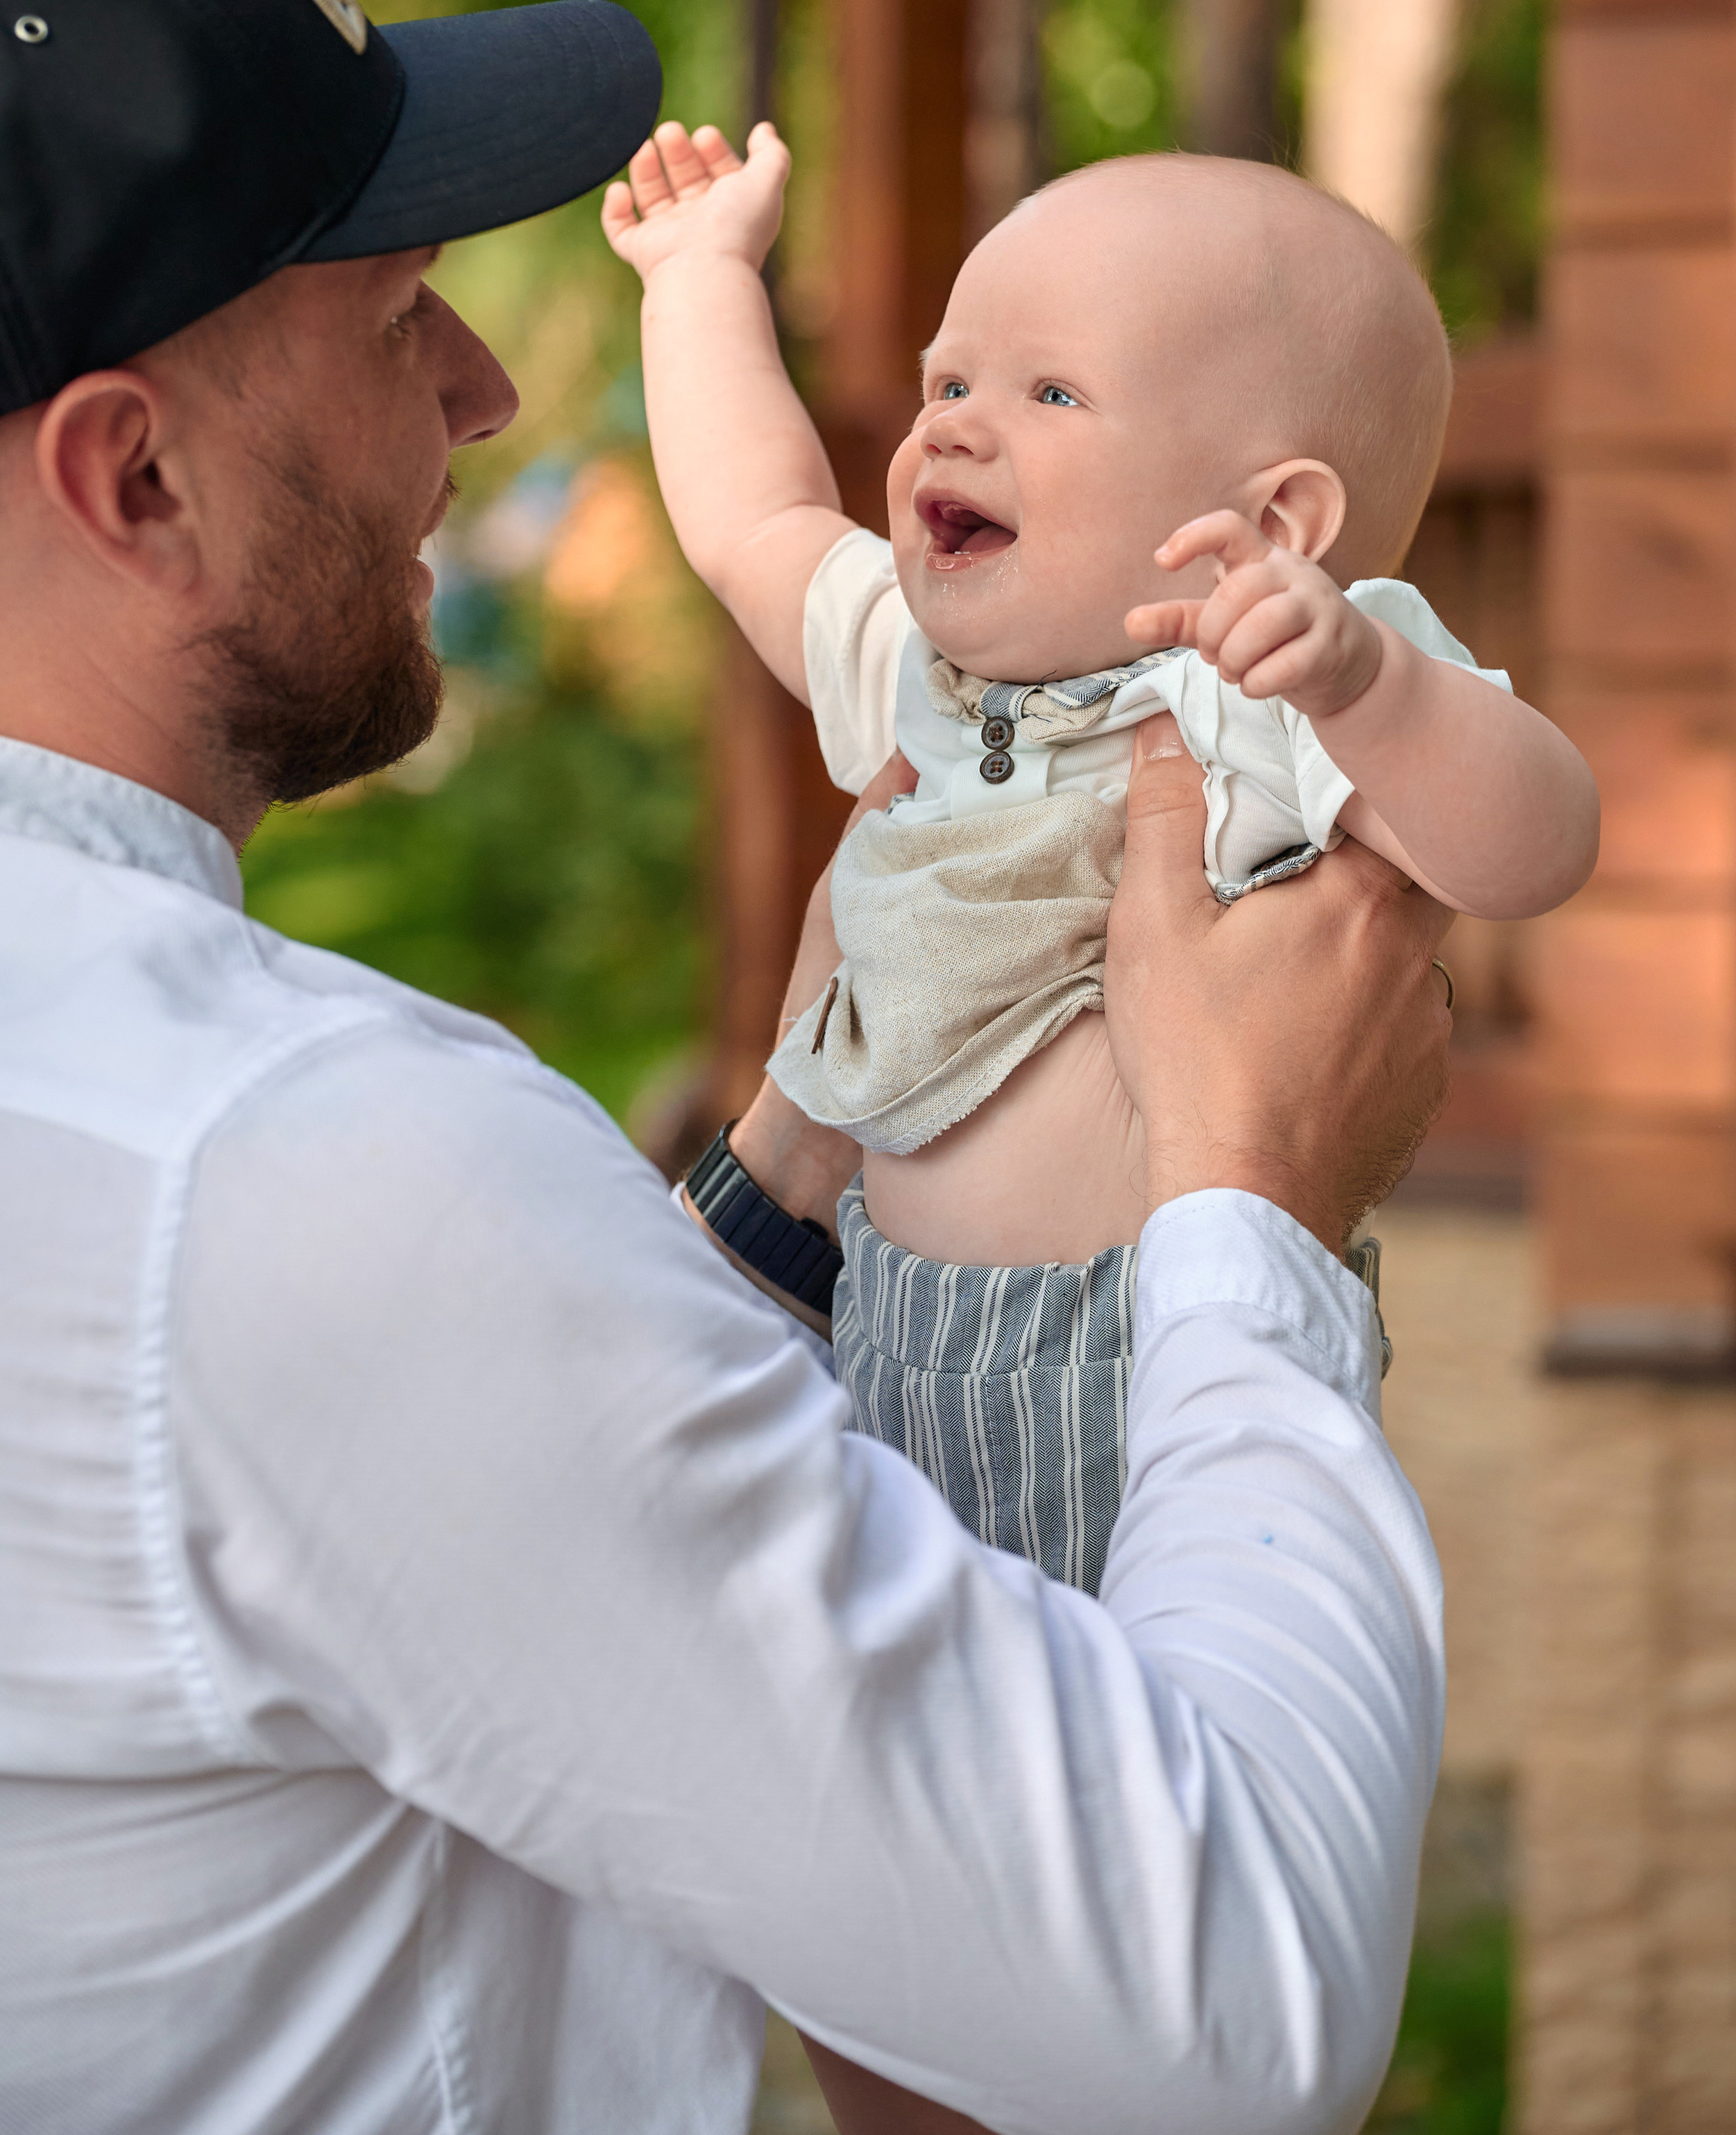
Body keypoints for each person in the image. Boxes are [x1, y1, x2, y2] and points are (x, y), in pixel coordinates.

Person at [0, 0, 1454, 2135]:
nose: (484, 392)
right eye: (390, 316)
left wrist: (784, 1168)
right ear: (129, 480)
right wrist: (1253, 1194)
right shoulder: (303, 1178)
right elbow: (1219, 2011)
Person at [605, 120, 1597, 1592]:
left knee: (1137, 1748)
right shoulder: (921, 673)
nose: (948, 422)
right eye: (949, 379)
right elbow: (753, 520)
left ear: (1269, 525)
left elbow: (1534, 846)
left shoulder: (1258, 688)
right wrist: (697, 279)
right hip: (884, 1339)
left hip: (1148, 1361)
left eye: (1048, 390)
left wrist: (1372, 692)